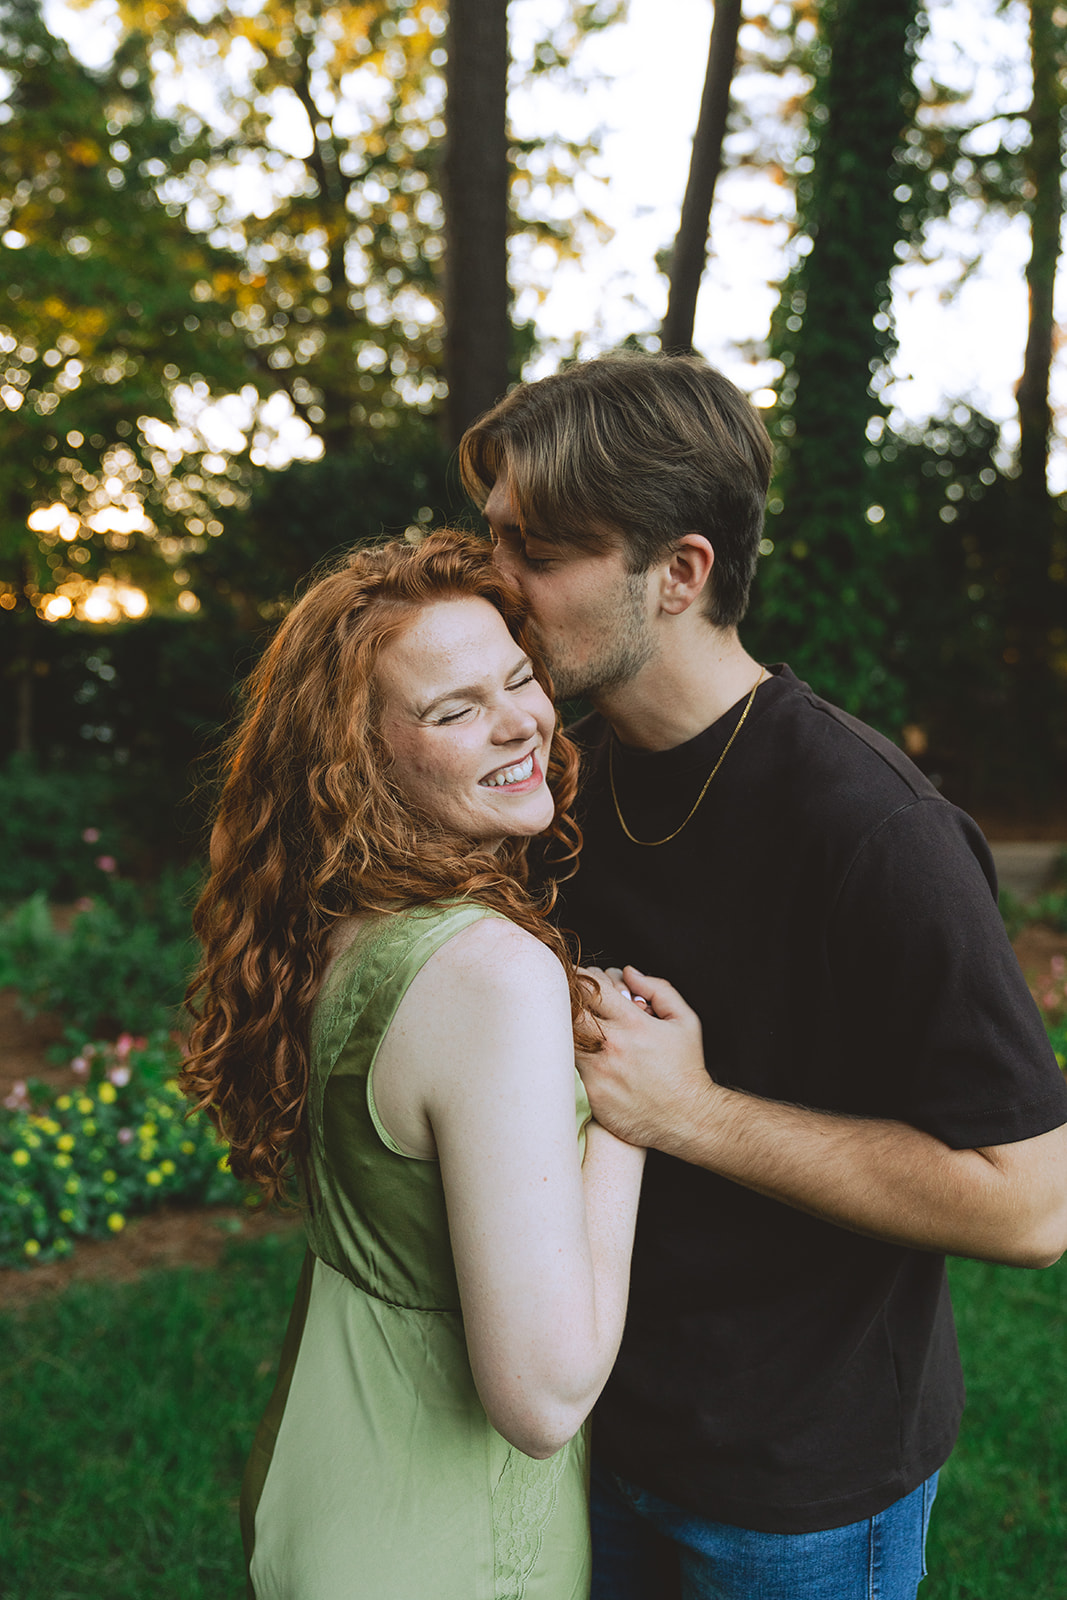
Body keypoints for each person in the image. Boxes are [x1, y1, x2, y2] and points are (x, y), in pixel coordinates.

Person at [459, 350, 1067, 1600]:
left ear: (676, 573)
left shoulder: (871, 829)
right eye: (493, 538)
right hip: (586, 1429)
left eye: (538, 550)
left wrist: (693, 1112)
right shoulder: (556, 782)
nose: (494, 584)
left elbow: (1030, 1204)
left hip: (795, 1491)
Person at [179, 530, 645, 1600]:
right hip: (441, 1546)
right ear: (362, 761)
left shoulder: (332, 923)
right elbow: (541, 1399)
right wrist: (628, 1116)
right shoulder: (490, 974)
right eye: (452, 709)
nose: (521, 719)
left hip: (322, 1483)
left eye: (518, 677)